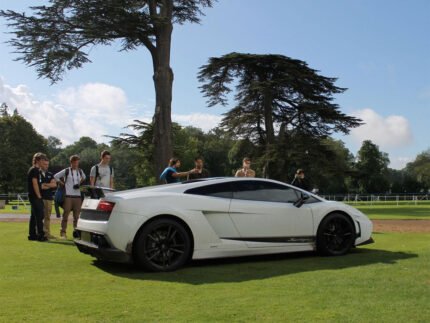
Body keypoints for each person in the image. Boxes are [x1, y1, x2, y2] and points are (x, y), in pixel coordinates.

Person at [54, 155, 86, 239]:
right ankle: (63, 232)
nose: (76, 164)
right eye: (75, 162)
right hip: (68, 196)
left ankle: (77, 233)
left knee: (76, 216)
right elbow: (55, 176)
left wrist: (79, 183)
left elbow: (85, 177)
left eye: (77, 162)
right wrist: (62, 183)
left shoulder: (80, 171)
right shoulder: (67, 170)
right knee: (65, 214)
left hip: (78, 196)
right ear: (71, 162)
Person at [27, 152, 48, 241]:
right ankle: (40, 235)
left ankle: (32, 235)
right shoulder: (34, 170)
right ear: (38, 160)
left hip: (34, 196)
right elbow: (34, 183)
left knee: (34, 216)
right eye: (42, 160)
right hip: (35, 196)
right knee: (40, 215)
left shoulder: (37, 170)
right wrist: (39, 196)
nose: (43, 162)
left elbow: (39, 184)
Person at [40, 158, 57, 239]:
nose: (46, 166)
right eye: (45, 164)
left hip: (49, 198)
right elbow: (41, 187)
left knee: (47, 217)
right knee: (39, 217)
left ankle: (47, 234)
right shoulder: (37, 173)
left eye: (47, 164)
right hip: (40, 198)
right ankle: (39, 233)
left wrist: (46, 184)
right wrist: (49, 184)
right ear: (41, 164)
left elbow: (54, 185)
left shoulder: (50, 174)